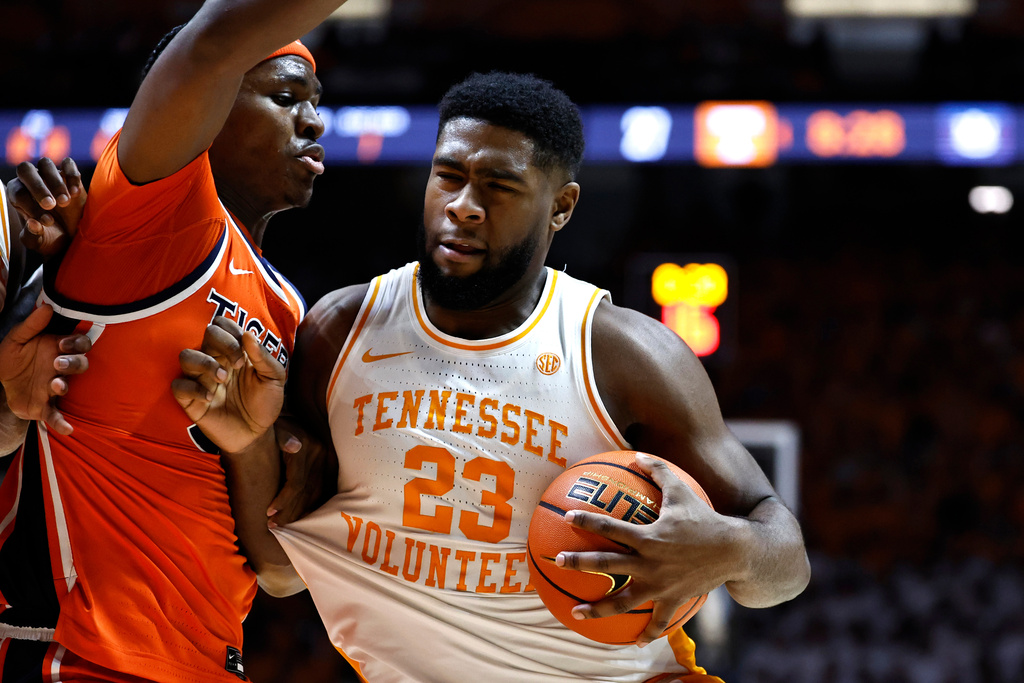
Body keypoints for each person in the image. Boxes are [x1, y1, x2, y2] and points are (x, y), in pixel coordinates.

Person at [175, 71, 811, 682]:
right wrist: (249, 447)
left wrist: (731, 547)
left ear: (561, 207)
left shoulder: (626, 356)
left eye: (499, 186)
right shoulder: (338, 334)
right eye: (448, 176)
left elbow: (786, 563)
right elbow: (280, 568)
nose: (464, 207)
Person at [0, 1, 352, 680]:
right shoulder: (158, 215)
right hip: (79, 654)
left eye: (315, 102)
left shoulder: (289, 307)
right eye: (286, 98)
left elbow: (280, 571)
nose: (314, 121)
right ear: (210, 107)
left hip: (206, 660)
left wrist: (251, 445)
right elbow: (211, 45)